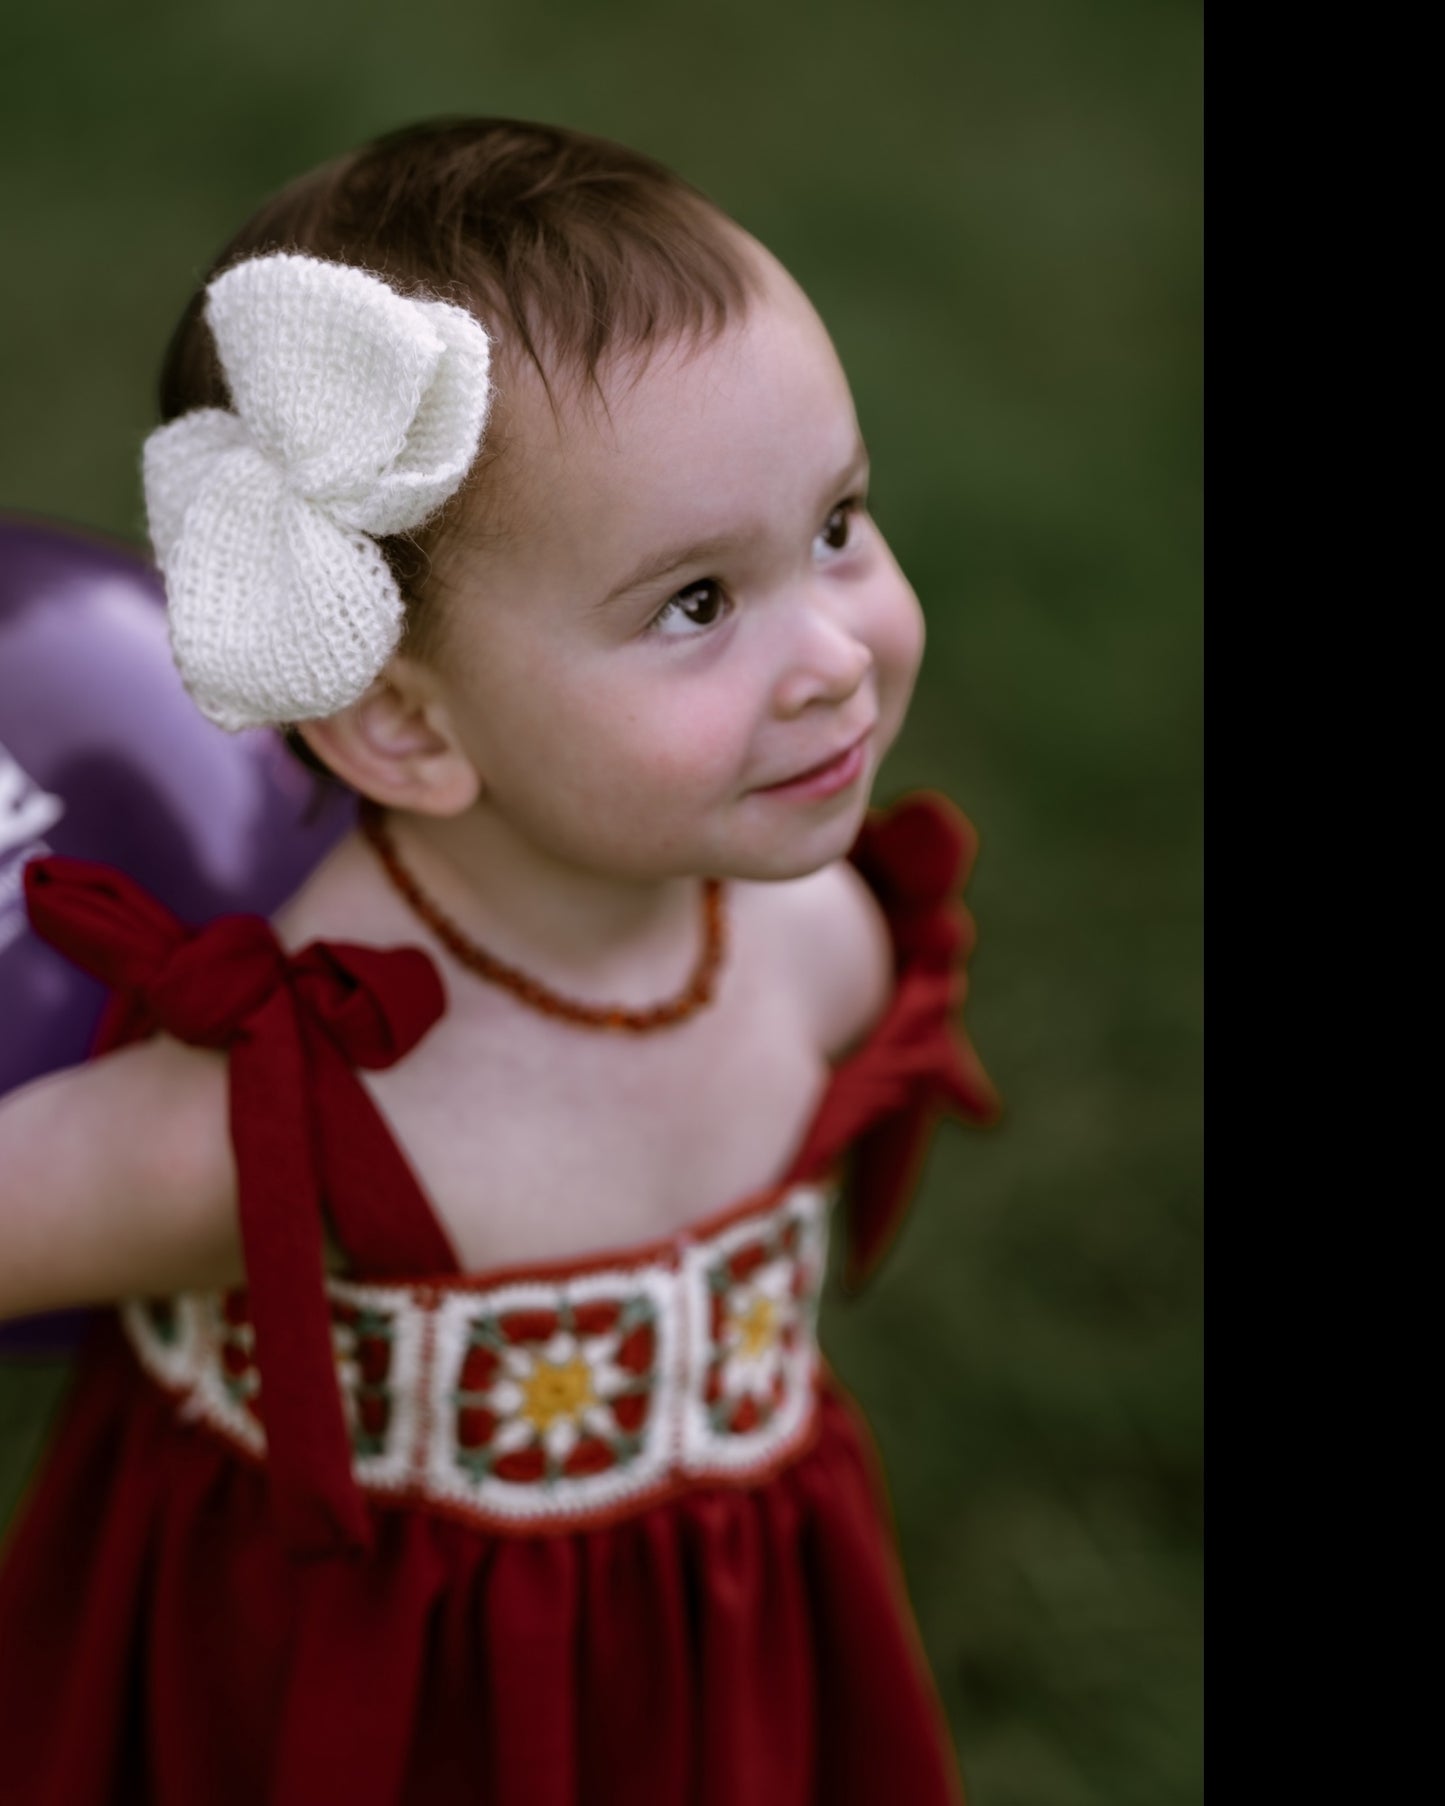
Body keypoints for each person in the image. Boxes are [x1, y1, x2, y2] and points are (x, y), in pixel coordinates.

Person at [0, 117, 999, 1804]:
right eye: (694, 602)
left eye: (836, 523)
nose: (834, 655)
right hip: (362, 1713)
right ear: (399, 722)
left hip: (717, 1666)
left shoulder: (817, 938)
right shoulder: (288, 1102)